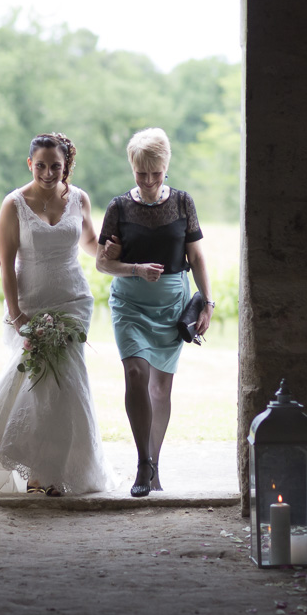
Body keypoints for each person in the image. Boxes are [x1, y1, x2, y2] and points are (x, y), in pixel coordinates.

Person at [0, 133, 114, 496]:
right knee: (33, 383)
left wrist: (115, 251)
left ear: (66, 165)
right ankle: (34, 470)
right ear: (30, 163)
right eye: (40, 165)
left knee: (68, 385)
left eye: (55, 166)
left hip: (73, 300)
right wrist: (17, 316)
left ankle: (56, 473)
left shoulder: (79, 199)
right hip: (31, 304)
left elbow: (90, 243)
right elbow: (6, 264)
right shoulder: (14, 204)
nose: (47, 173)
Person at [96, 127, 214, 498]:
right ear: (131, 167)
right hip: (130, 304)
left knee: (161, 388)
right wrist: (134, 269)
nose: (148, 181)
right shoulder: (118, 208)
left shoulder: (183, 203)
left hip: (172, 305)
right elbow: (102, 263)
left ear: (167, 166)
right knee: (135, 372)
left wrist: (207, 303)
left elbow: (196, 257)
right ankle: (142, 463)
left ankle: (156, 463)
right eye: (140, 173)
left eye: (156, 173)